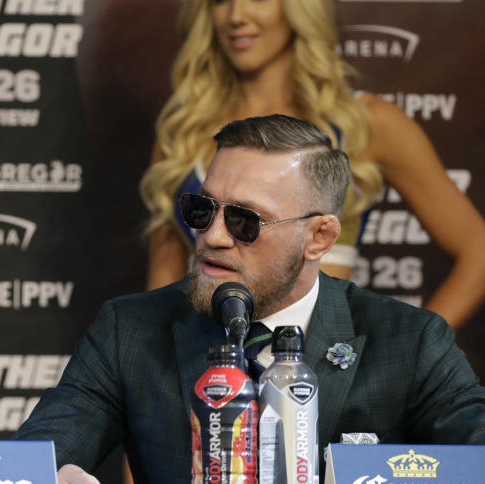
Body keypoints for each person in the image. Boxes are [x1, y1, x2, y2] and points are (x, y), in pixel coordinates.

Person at [14, 115, 485, 484]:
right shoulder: (131, 330)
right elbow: (30, 464)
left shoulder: (410, 340)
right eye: (201, 209)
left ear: (319, 237)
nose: (213, 236)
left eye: (244, 220)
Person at [141, 0, 485, 331]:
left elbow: (478, 251)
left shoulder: (365, 124)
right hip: (209, 373)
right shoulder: (184, 132)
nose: (236, 15)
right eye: (220, 0)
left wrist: (413, 355)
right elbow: (161, 294)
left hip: (323, 373)